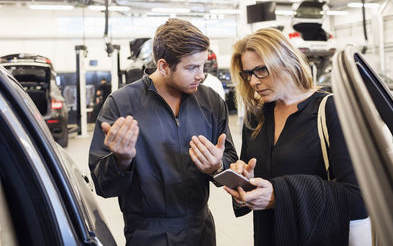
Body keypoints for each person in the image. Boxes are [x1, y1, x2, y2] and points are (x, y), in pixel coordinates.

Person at [89, 18, 238, 246]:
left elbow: (230, 160)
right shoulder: (121, 104)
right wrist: (121, 161)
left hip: (200, 231)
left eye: (203, 66)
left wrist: (217, 167)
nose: (201, 75)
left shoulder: (211, 102)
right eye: (191, 68)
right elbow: (103, 186)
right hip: (147, 235)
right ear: (163, 66)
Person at [224, 28, 368, 246]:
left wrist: (279, 195)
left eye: (261, 70)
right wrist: (244, 184)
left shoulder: (330, 109)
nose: (253, 81)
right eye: (248, 74)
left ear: (287, 62)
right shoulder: (256, 118)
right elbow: (253, 179)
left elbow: (357, 199)